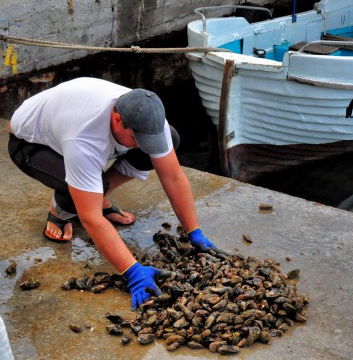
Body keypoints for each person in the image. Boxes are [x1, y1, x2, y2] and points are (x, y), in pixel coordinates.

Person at [7, 77, 218, 309]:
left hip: (65, 122)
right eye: (137, 139)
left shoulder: (149, 116)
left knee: (169, 142)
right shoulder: (83, 138)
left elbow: (173, 176)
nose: (141, 144)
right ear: (117, 119)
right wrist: (133, 271)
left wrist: (194, 231)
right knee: (84, 189)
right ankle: (60, 209)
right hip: (29, 143)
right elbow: (91, 219)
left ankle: (97, 193)